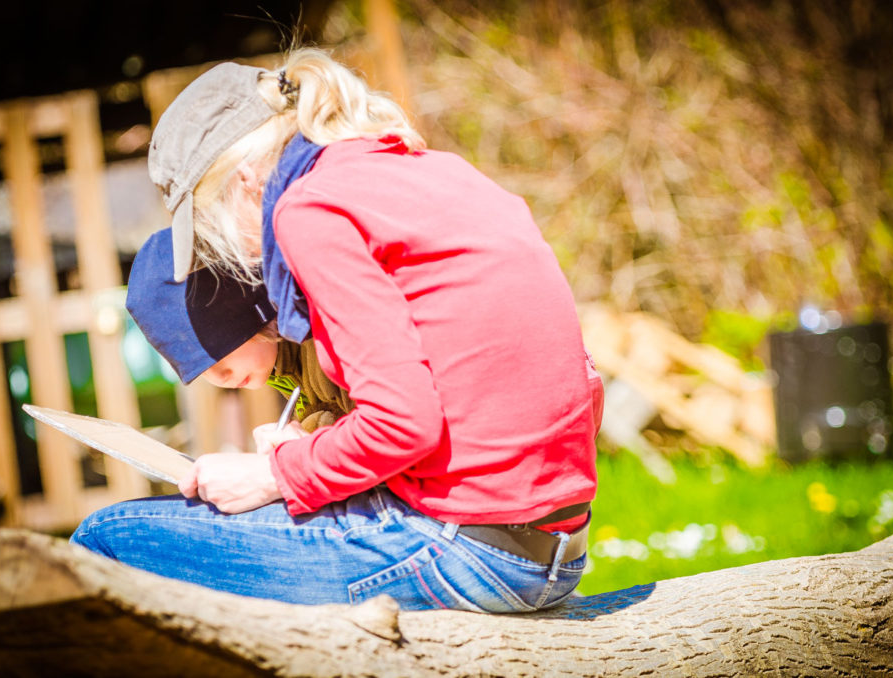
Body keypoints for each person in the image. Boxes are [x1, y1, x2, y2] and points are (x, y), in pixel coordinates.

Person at [71, 47, 602, 613]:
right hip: (556, 547)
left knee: (107, 541)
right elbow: (579, 389)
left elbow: (404, 426)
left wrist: (273, 474)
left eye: (210, 223)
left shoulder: (310, 209)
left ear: (246, 181)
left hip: (466, 549)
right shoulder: (437, 168)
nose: (231, 252)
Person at [124, 227, 353, 431]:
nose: (219, 377)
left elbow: (380, 428)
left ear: (244, 314)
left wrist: (297, 455)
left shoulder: (327, 340)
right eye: (201, 371)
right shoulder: (285, 363)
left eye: (215, 356)